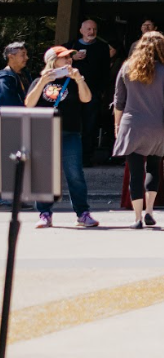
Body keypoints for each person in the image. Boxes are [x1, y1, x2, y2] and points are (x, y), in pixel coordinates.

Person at [111, 31, 164, 230]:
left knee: (135, 172)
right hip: (157, 125)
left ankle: (137, 217)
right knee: (154, 168)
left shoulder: (126, 68)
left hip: (132, 124)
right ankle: (150, 211)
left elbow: (119, 101)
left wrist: (117, 126)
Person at [27, 45, 97, 228]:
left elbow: (87, 98)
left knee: (75, 174)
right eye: (64, 58)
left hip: (70, 132)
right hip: (44, 133)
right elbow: (28, 104)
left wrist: (79, 79)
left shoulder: (74, 81)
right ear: (52, 61)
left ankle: (82, 213)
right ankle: (44, 213)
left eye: (70, 58)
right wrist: (43, 82)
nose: (69, 61)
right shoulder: (39, 81)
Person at [64, 18, 117, 163]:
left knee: (90, 124)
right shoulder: (70, 46)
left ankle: (86, 156)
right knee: (71, 124)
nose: (91, 32)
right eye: (88, 29)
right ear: (81, 30)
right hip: (72, 92)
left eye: (94, 29)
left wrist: (102, 91)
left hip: (93, 92)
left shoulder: (102, 47)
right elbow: (54, 61)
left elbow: (106, 71)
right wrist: (71, 57)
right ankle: (68, 156)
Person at [0, 42, 30, 108]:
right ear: (11, 57)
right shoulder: (5, 78)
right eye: (23, 55)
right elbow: (7, 104)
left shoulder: (25, 75)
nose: (27, 58)